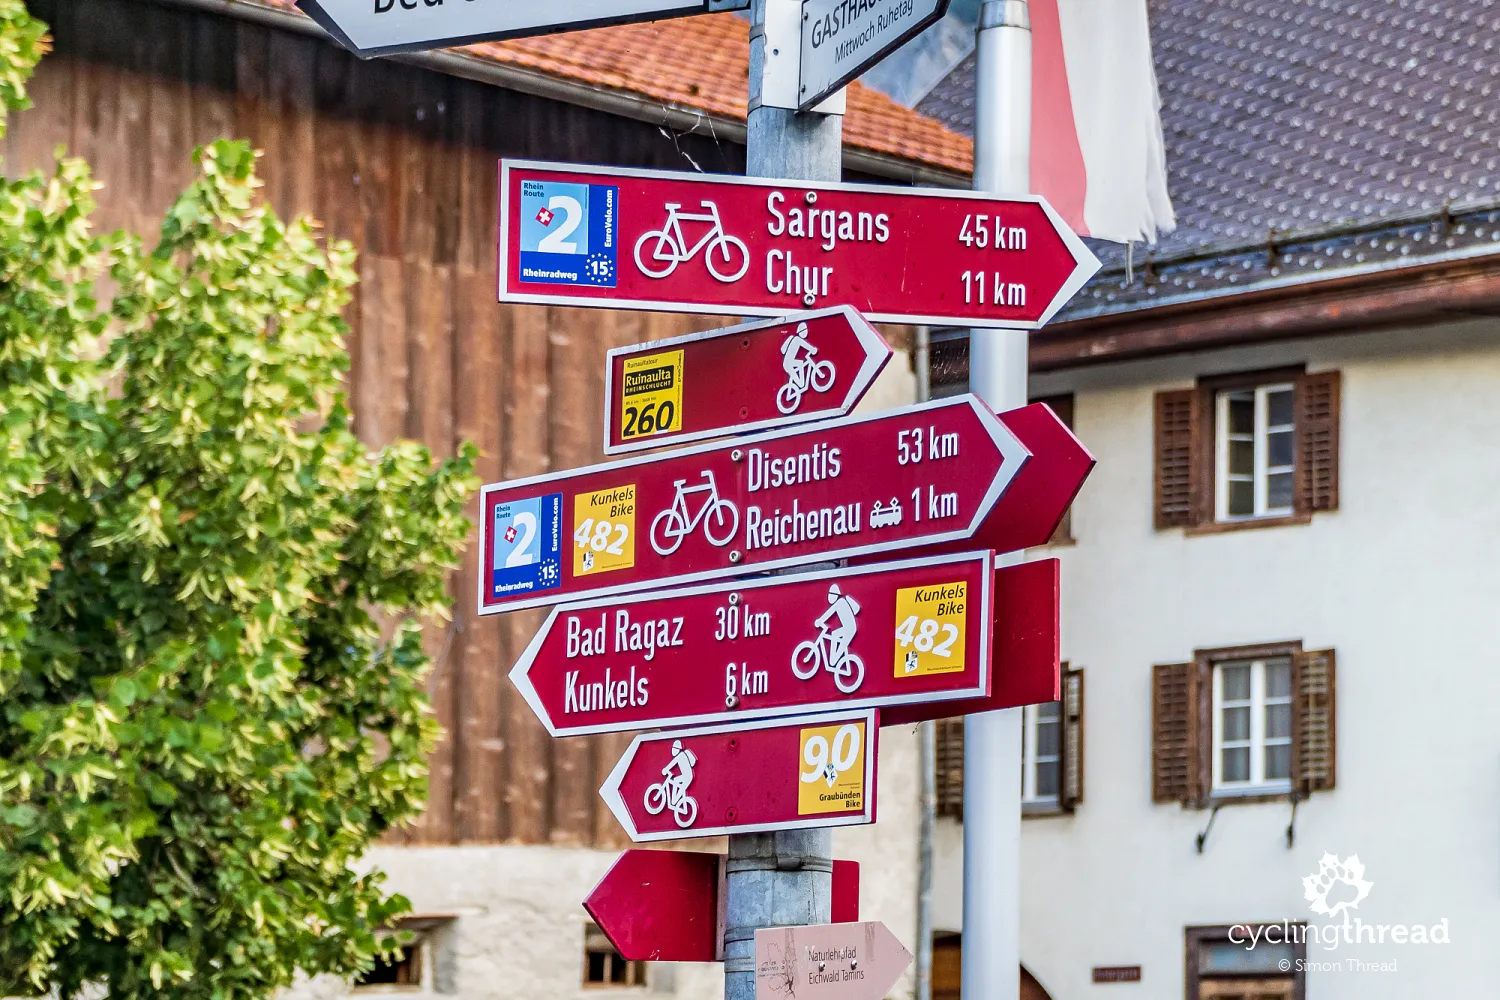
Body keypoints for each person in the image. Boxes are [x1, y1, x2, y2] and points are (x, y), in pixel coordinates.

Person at [816, 583, 861, 671]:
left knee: (839, 645)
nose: (829, 597)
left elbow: (829, 613)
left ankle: (834, 660)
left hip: (850, 629)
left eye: (831, 594)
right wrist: (820, 620)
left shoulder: (840, 603)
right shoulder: (840, 602)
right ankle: (834, 658)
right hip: (847, 628)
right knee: (834, 634)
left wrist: (820, 620)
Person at [780, 323, 817, 389]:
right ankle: (800, 385)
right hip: (788, 364)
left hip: (790, 362)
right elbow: (805, 345)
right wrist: (812, 349)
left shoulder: (796, 338)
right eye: (805, 331)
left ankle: (801, 384)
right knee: (801, 384)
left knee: (800, 363)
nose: (806, 332)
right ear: (801, 332)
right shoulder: (797, 339)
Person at [661, 739, 697, 807]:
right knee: (675, 780)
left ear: (678, 749)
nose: (672, 750)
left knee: (681, 788)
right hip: (686, 776)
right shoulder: (681, 755)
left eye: (674, 748)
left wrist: (666, 769)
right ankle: (675, 799)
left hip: (688, 777)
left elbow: (672, 764)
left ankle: (675, 801)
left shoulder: (680, 756)